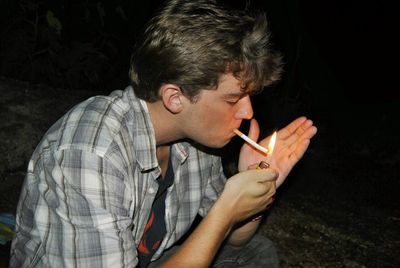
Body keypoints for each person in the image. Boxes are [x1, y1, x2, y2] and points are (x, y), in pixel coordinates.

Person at [10, 0, 317, 267]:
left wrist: (258, 185)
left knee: (253, 251)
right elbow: (220, 221)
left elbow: (236, 239)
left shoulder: (199, 143)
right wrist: (224, 211)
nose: (248, 113)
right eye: (233, 99)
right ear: (175, 97)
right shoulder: (91, 152)